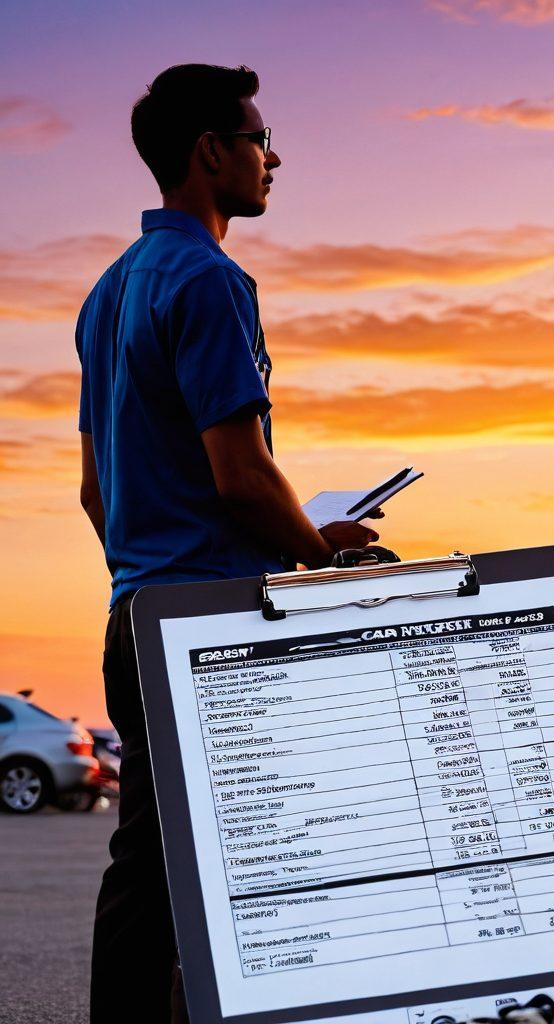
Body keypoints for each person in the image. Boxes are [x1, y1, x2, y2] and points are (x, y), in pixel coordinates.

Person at [75, 64, 379, 1023]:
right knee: (247, 855)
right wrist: (325, 558)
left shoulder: (107, 292)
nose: (272, 158)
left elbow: (94, 491)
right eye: (259, 139)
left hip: (137, 611)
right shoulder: (208, 279)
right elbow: (241, 474)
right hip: (209, 617)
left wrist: (154, 565)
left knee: (157, 864)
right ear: (212, 152)